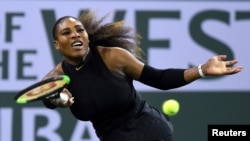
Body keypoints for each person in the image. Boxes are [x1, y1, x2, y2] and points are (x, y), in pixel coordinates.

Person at [42, 10, 243, 141]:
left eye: (79, 30)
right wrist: (58, 99)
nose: (75, 35)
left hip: (150, 131)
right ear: (57, 44)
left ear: (86, 36)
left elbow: (160, 79)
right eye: (66, 33)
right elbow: (46, 97)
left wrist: (202, 70)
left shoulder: (113, 57)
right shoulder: (56, 77)